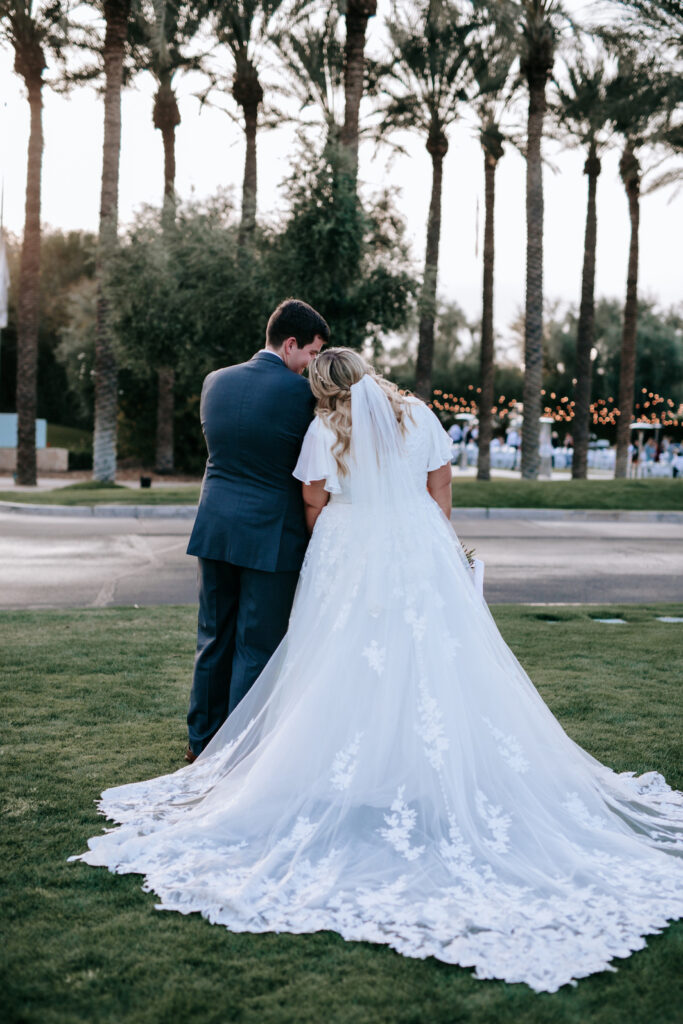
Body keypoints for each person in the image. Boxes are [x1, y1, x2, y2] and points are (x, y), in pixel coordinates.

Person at [71, 349, 683, 994]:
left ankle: (339, 767)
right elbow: (441, 488)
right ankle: (421, 764)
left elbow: (313, 501)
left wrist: (339, 537)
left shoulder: (323, 428)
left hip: (348, 545)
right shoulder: (419, 415)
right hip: (419, 541)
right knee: (430, 656)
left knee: (339, 656)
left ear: (322, 388)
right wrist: (423, 535)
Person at [183, 298, 329, 763]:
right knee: (256, 645)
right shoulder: (303, 396)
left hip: (215, 528)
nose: (311, 366)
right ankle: (239, 750)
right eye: (311, 353)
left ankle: (201, 743)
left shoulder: (215, 382)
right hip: (272, 533)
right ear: (290, 344)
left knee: (213, 637)